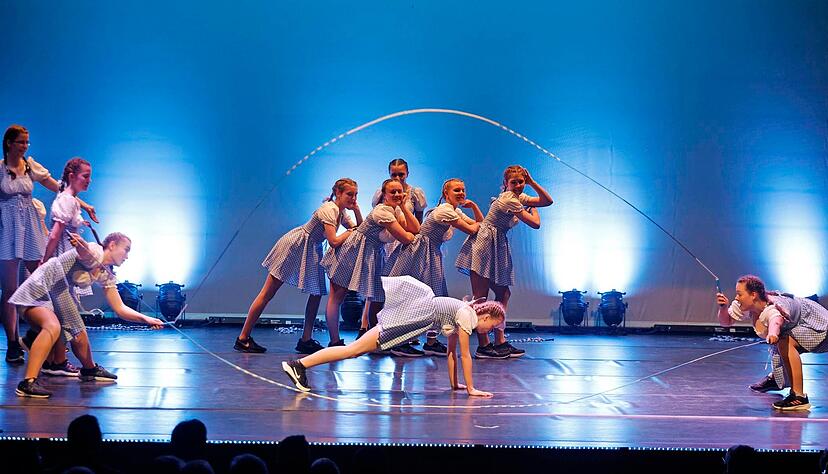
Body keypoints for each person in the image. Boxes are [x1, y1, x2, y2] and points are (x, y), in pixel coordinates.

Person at [282, 275, 505, 398]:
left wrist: (456, 385)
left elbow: (452, 354)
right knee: (353, 350)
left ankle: (300, 365)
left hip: (406, 321)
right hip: (402, 323)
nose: (490, 331)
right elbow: (465, 356)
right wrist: (471, 388)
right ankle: (299, 365)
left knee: (354, 350)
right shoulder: (467, 316)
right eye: (493, 326)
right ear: (485, 316)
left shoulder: (462, 312)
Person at [12, 232, 165, 398]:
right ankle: (27, 382)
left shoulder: (105, 273)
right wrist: (80, 243)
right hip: (40, 289)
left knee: (78, 332)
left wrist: (147, 319)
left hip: (57, 292)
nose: (127, 256)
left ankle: (88, 368)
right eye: (126, 250)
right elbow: (85, 251)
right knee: (54, 326)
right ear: (112, 245)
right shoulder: (95, 251)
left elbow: (120, 308)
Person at [1, 125, 97, 363]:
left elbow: (59, 187)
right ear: (9, 143)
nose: (24, 146)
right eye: (21, 142)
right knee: (11, 289)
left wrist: (83, 205)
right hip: (7, 226)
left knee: (45, 279)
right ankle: (13, 342)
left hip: (29, 225)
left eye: (27, 142)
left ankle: (39, 335)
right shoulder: (1, 168)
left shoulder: (29, 165)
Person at [234, 178, 362, 354]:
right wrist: (349, 231)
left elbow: (359, 229)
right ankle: (243, 338)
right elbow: (333, 241)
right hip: (296, 245)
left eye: (355, 195)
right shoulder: (330, 209)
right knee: (268, 292)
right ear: (338, 193)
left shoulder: (340, 210)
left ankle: (306, 339)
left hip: (312, 248)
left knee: (316, 293)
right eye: (349, 194)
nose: (353, 198)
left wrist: (357, 211)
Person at [455, 165, 553, 358]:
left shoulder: (518, 197)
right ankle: (484, 345)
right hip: (485, 242)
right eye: (514, 182)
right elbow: (535, 224)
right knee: (480, 296)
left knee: (503, 292)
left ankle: (500, 341)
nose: (518, 186)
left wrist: (532, 182)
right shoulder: (509, 199)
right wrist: (533, 210)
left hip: (497, 243)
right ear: (505, 184)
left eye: (521, 182)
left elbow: (547, 201)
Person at [384, 178, 483, 356]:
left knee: (434, 296)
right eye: (456, 190)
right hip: (419, 251)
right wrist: (474, 224)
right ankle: (400, 341)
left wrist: (474, 206)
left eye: (463, 189)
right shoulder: (445, 210)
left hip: (431, 252)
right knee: (414, 296)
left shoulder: (455, 210)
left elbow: (479, 225)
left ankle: (430, 341)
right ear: (446, 194)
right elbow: (471, 229)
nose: (461, 193)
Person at [321, 179, 419, 347]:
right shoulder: (382, 212)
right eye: (392, 192)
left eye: (399, 191)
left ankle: (374, 340)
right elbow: (406, 238)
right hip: (353, 252)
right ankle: (335, 341)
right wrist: (410, 235)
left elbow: (415, 228)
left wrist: (403, 206)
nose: (397, 195)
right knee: (337, 296)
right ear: (384, 195)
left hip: (372, 254)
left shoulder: (395, 210)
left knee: (377, 296)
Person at [717, 274, 828, 410]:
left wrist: (772, 333)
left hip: (817, 325)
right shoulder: (746, 305)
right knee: (782, 344)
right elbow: (726, 322)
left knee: (784, 341)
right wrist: (723, 307)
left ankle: (799, 397)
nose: (736, 297)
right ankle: (777, 378)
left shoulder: (772, 308)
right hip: (800, 326)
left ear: (753, 295)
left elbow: (776, 320)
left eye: (739, 294)